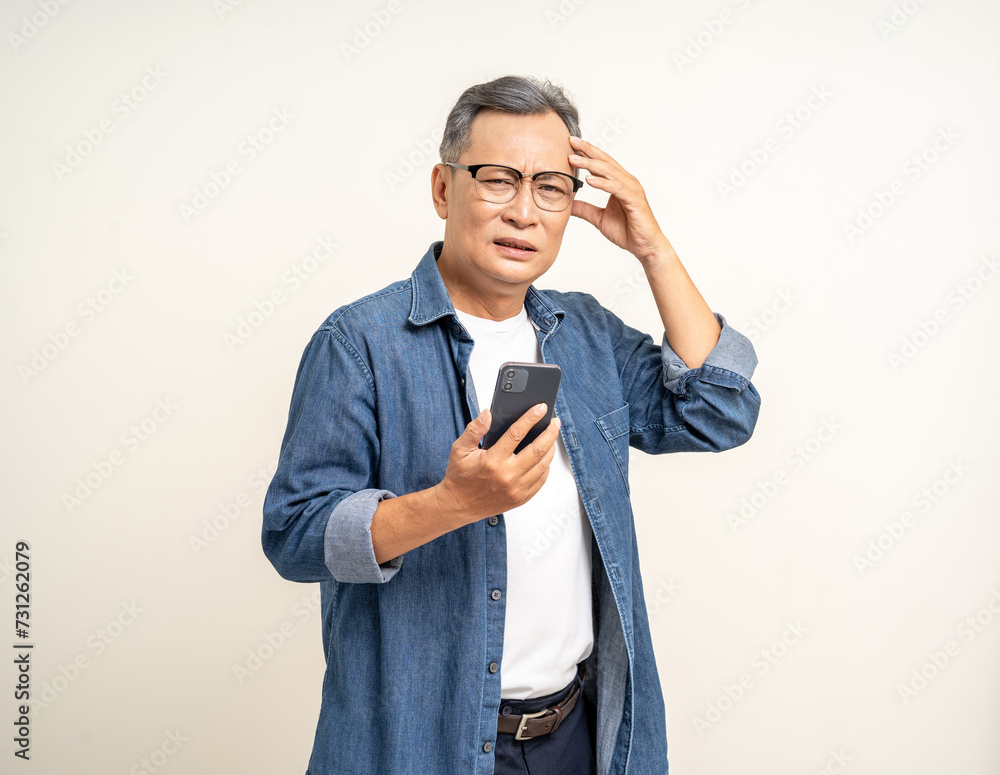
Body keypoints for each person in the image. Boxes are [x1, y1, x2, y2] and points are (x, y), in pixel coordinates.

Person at [262, 75, 761, 775]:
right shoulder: (359, 343)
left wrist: (653, 248)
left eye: (551, 188)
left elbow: (720, 411)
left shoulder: (584, 333)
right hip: (419, 746)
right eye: (499, 179)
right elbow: (294, 536)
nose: (524, 212)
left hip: (575, 736)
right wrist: (452, 503)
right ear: (443, 188)